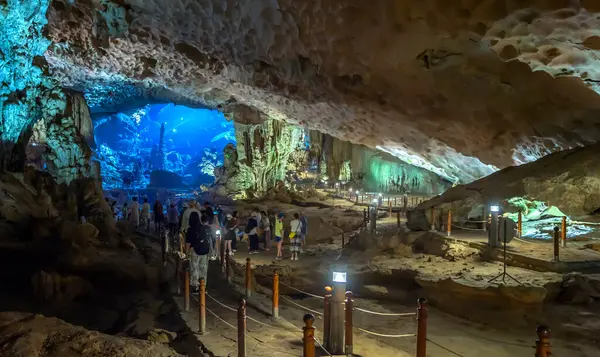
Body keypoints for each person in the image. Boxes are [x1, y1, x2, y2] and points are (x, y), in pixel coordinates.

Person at [186, 212, 212, 292]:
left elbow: (188, 243)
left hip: (195, 251)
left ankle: (196, 287)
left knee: (194, 269)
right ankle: (203, 287)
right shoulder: (203, 227)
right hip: (204, 251)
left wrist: (186, 252)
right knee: (203, 269)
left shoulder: (190, 229)